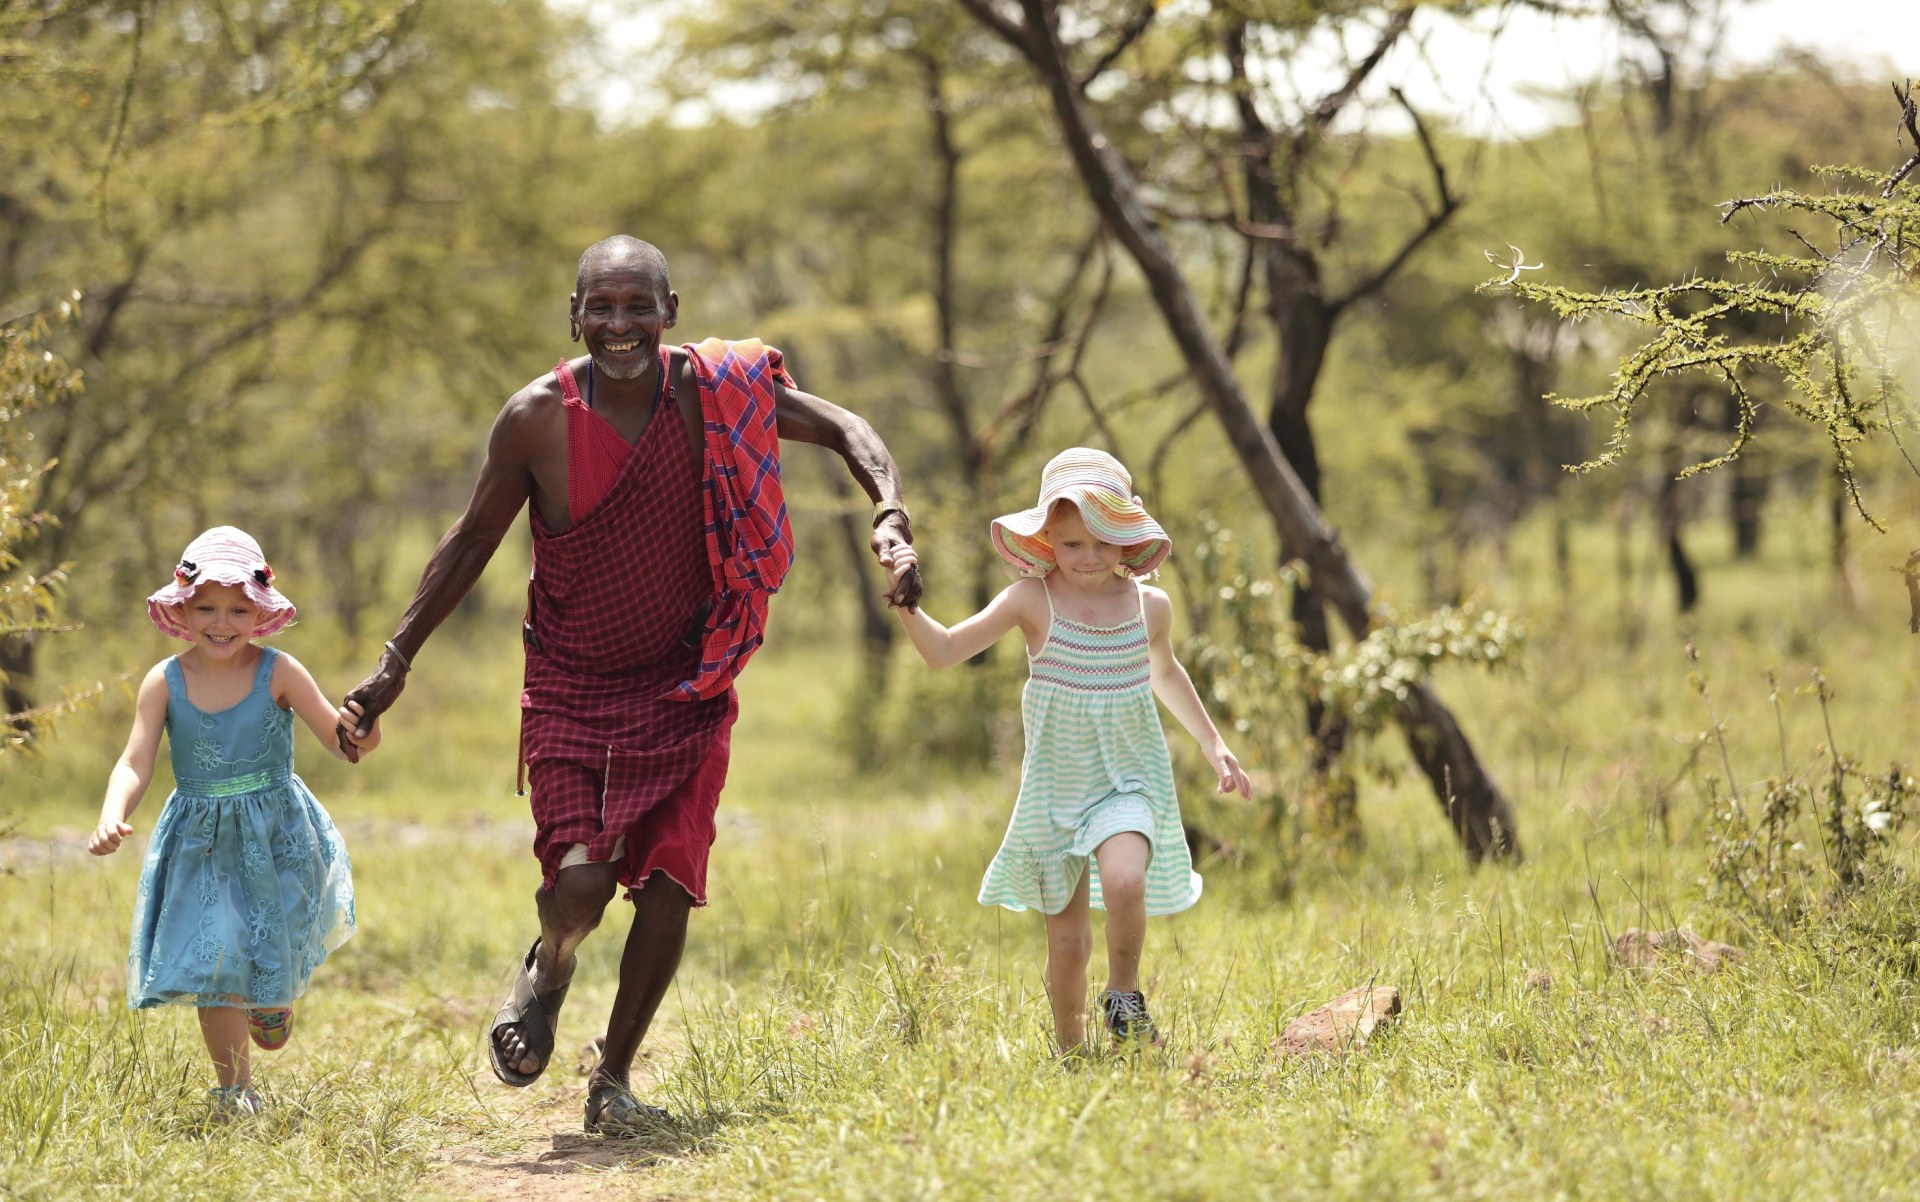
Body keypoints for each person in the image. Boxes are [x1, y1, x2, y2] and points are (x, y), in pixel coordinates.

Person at [337, 235, 921, 1136]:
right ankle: (553, 964)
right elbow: (468, 543)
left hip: (688, 680)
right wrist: (393, 664)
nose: (620, 326)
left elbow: (847, 428)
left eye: (637, 307)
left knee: (668, 888)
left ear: (670, 312)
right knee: (579, 888)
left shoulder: (715, 395)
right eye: (600, 309)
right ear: (575, 315)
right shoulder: (535, 417)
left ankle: (611, 1077)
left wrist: (889, 511)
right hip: (571, 682)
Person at [881, 447, 1249, 1055]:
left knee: (1127, 880)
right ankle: (1070, 1048)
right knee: (1068, 943)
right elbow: (944, 651)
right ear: (1047, 539)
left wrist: (1214, 745)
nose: (1090, 557)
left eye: (1105, 542)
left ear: (1129, 541)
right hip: (1055, 790)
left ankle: (1124, 995)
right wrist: (907, 601)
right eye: (1074, 543)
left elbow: (1166, 673)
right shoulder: (1032, 601)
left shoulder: (1149, 606)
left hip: (1125, 781)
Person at [89, 526, 378, 1119]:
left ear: (260, 612)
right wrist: (112, 814)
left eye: (238, 609)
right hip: (199, 837)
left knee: (268, 941)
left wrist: (364, 732)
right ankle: (235, 1090)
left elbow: (338, 738)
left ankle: (270, 998)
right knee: (215, 954)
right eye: (206, 608)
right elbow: (134, 760)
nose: (221, 622)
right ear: (182, 609)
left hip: (277, 835)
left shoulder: (280, 671)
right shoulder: (163, 682)